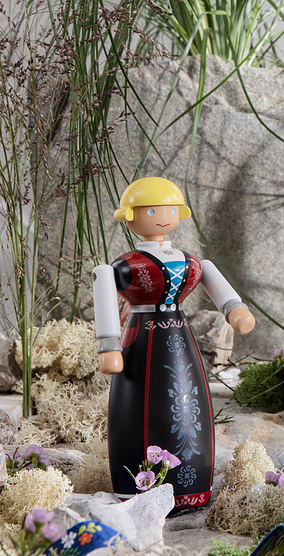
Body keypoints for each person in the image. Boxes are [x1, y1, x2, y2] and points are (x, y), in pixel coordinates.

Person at [93, 177, 255, 507]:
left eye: (169, 210)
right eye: (151, 211)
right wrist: (108, 342)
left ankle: (191, 487)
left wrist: (234, 308)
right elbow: (103, 285)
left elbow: (212, 278)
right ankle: (139, 488)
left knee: (187, 403)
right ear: (131, 216)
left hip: (179, 338)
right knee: (141, 408)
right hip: (142, 341)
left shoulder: (191, 261)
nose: (161, 217)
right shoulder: (126, 265)